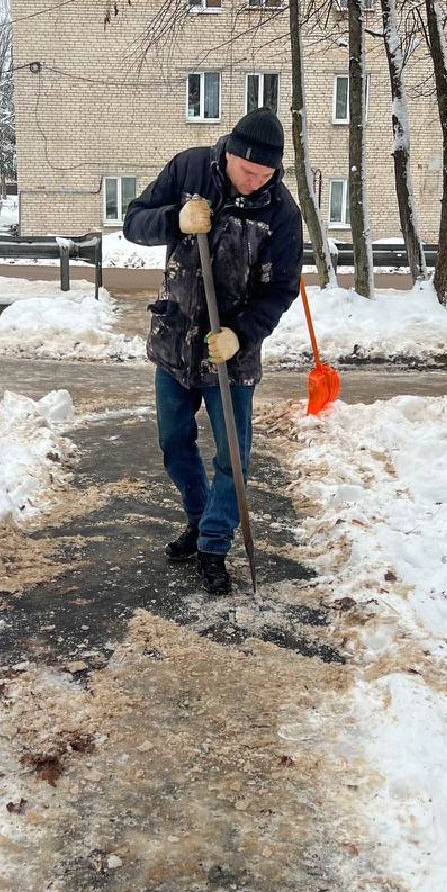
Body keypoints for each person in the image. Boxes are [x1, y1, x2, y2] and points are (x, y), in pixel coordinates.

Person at [123, 108, 303, 595]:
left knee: (233, 458)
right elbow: (133, 223)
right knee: (175, 445)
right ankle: (201, 519)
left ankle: (214, 544)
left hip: (232, 355)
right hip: (176, 341)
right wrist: (176, 221)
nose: (255, 182)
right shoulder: (189, 168)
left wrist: (242, 335)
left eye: (266, 174)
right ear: (230, 154)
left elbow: (281, 289)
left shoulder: (282, 212)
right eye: (248, 171)